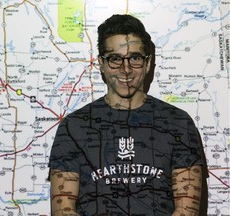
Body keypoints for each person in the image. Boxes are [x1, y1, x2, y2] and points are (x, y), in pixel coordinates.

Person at [48, 14, 207, 216]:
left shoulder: (179, 123)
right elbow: (63, 210)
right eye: (115, 59)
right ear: (101, 64)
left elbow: (187, 211)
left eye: (135, 58)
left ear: (147, 63)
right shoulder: (73, 127)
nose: (126, 69)